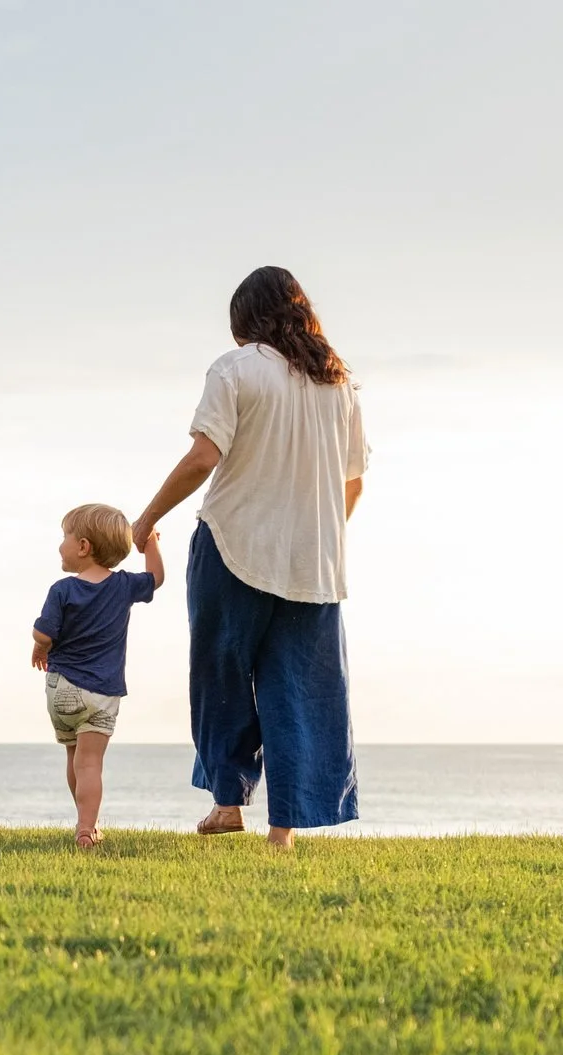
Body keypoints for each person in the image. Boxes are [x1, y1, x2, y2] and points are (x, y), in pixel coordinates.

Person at [132, 267, 368, 846]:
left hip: (232, 545)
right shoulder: (339, 385)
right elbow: (353, 483)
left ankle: (228, 803)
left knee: (221, 677)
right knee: (299, 692)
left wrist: (147, 518)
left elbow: (203, 458)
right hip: (314, 565)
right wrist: (313, 535)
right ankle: (281, 832)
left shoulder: (235, 368)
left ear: (244, 319)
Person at [30, 503, 165, 849]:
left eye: (65, 537)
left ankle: (84, 821)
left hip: (61, 689)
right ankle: (86, 829)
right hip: (102, 693)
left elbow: (43, 635)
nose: (60, 545)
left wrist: (40, 649)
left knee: (74, 757)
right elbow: (156, 579)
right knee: (91, 763)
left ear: (84, 546)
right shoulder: (123, 586)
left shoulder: (62, 590)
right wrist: (150, 543)